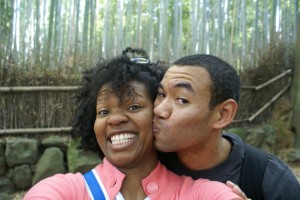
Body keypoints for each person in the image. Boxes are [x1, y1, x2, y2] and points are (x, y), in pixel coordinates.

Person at [23, 48, 242, 200]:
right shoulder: (65, 190)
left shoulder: (200, 193)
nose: (115, 119)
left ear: (157, 115)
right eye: (104, 111)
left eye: (134, 107)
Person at [153, 53, 300, 200]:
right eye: (161, 94)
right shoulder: (145, 162)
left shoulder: (270, 179)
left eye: (182, 100)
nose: (159, 110)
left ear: (223, 114)